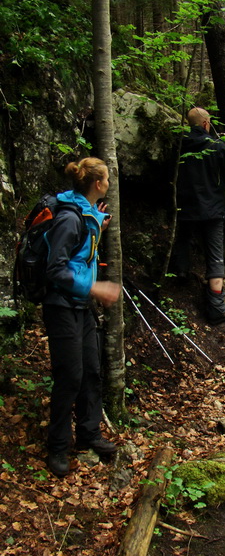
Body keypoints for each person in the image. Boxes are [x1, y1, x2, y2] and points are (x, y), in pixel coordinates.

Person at [43, 157, 121, 477]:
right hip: (61, 305)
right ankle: (58, 446)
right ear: (98, 183)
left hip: (79, 306)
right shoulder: (70, 219)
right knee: (70, 375)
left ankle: (89, 434)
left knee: (91, 369)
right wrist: (95, 289)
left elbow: (80, 256)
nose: (109, 183)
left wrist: (98, 228)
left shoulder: (87, 213)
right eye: (107, 179)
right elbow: (56, 269)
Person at [174, 107, 225, 325]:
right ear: (206, 124)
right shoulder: (217, 146)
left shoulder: (179, 145)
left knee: (182, 240)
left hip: (185, 207)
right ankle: (216, 307)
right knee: (215, 255)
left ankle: (179, 275)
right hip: (212, 210)